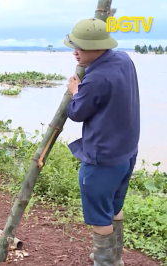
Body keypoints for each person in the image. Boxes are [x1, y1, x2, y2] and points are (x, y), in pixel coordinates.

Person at [65, 18, 140, 266]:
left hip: (103, 157)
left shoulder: (97, 79)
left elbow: (76, 113)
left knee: (100, 217)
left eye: (81, 47)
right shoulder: (124, 59)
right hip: (126, 151)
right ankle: (111, 256)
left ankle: (106, 262)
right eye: (74, 46)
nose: (75, 52)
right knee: (114, 206)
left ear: (98, 47)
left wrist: (76, 91)